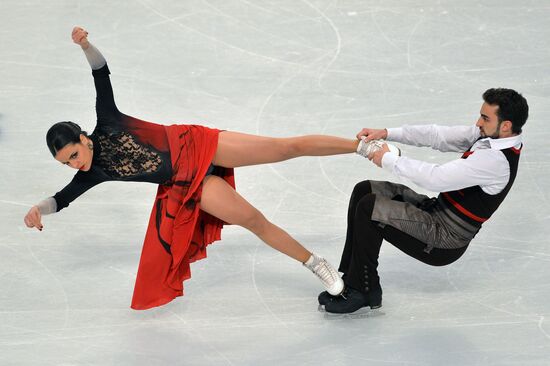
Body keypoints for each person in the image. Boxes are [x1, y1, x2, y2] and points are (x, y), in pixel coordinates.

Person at [23, 27, 360, 310]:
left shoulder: (109, 121)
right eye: (66, 162)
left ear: (84, 138)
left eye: (73, 154)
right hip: (186, 182)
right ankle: (318, 265)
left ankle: (360, 145)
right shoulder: (91, 173)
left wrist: (85, 45)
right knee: (253, 220)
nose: (74, 163)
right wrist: (39, 209)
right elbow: (61, 199)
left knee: (286, 148)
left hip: (196, 144)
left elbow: (100, 73)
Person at [319, 88, 529, 314]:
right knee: (365, 190)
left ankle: (363, 289)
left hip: (445, 238)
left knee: (371, 208)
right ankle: (352, 278)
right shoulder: (489, 136)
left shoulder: (496, 160)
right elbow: (436, 135)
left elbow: (436, 179)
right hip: (435, 212)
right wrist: (387, 133)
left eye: (485, 118)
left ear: (506, 125)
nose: (478, 122)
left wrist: (389, 160)